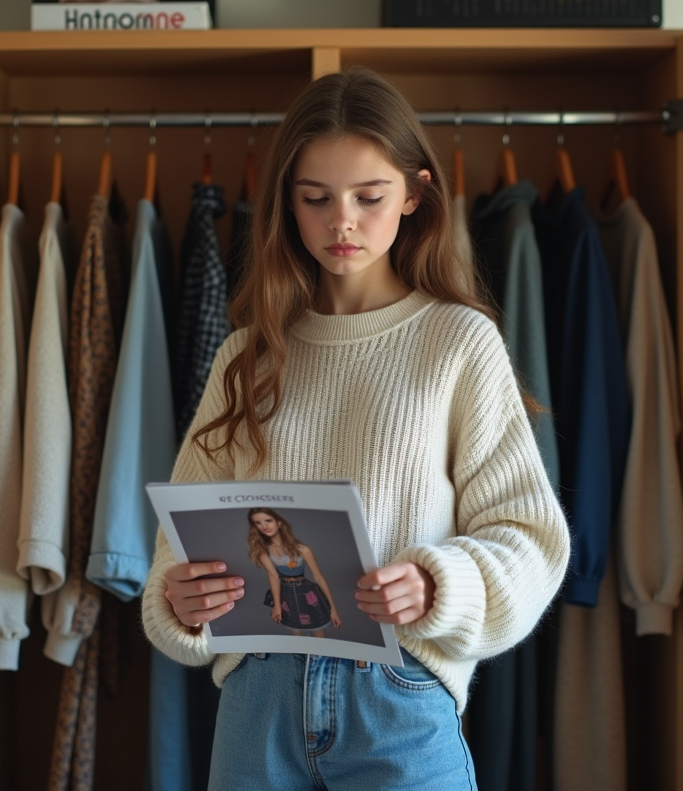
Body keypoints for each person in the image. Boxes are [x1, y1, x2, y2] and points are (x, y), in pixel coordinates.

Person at [142, 67, 570, 790]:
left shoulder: (458, 343)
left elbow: (530, 539)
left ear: (414, 194)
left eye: (369, 198)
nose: (342, 221)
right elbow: (174, 553)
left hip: (398, 698)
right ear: (287, 204)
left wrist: (441, 587)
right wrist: (178, 602)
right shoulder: (243, 356)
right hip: (257, 702)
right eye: (315, 199)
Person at [247, 507, 342, 637]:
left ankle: (319, 657)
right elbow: (273, 576)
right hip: (285, 594)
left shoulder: (302, 549)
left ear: (279, 523)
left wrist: (333, 609)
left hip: (307, 592)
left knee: (317, 628)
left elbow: (319, 578)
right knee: (295, 630)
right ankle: (300, 657)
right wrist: (277, 606)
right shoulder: (264, 552)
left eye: (268, 520)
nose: (264, 526)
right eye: (258, 523)